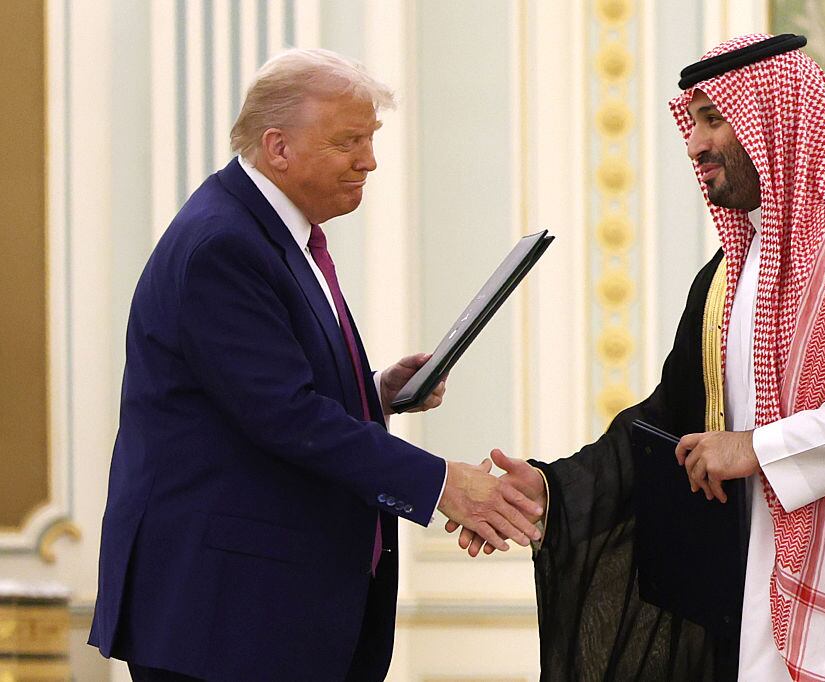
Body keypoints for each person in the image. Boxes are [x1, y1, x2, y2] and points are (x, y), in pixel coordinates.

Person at [451, 34, 825, 680]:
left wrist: (755, 448)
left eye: (712, 118)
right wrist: (549, 490)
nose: (694, 145)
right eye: (692, 122)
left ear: (775, 120)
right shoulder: (726, 279)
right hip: (754, 598)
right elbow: (664, 428)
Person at [88, 48, 543, 682]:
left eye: (371, 139)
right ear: (278, 147)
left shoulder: (270, 233)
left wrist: (377, 390)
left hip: (261, 610)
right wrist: (444, 484)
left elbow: (260, 392)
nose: (370, 160)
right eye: (349, 141)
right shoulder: (225, 244)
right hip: (224, 617)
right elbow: (285, 416)